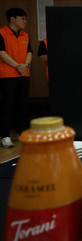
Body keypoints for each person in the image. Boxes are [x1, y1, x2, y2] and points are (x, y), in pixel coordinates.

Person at [0, 8, 32, 148]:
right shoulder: (2, 33)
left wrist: (25, 65)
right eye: (22, 18)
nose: (25, 21)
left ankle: (21, 132)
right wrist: (17, 66)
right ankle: (5, 136)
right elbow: (1, 53)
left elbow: (29, 52)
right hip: (7, 75)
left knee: (22, 105)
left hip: (24, 75)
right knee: (6, 105)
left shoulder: (25, 35)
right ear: (12, 19)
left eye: (25, 19)